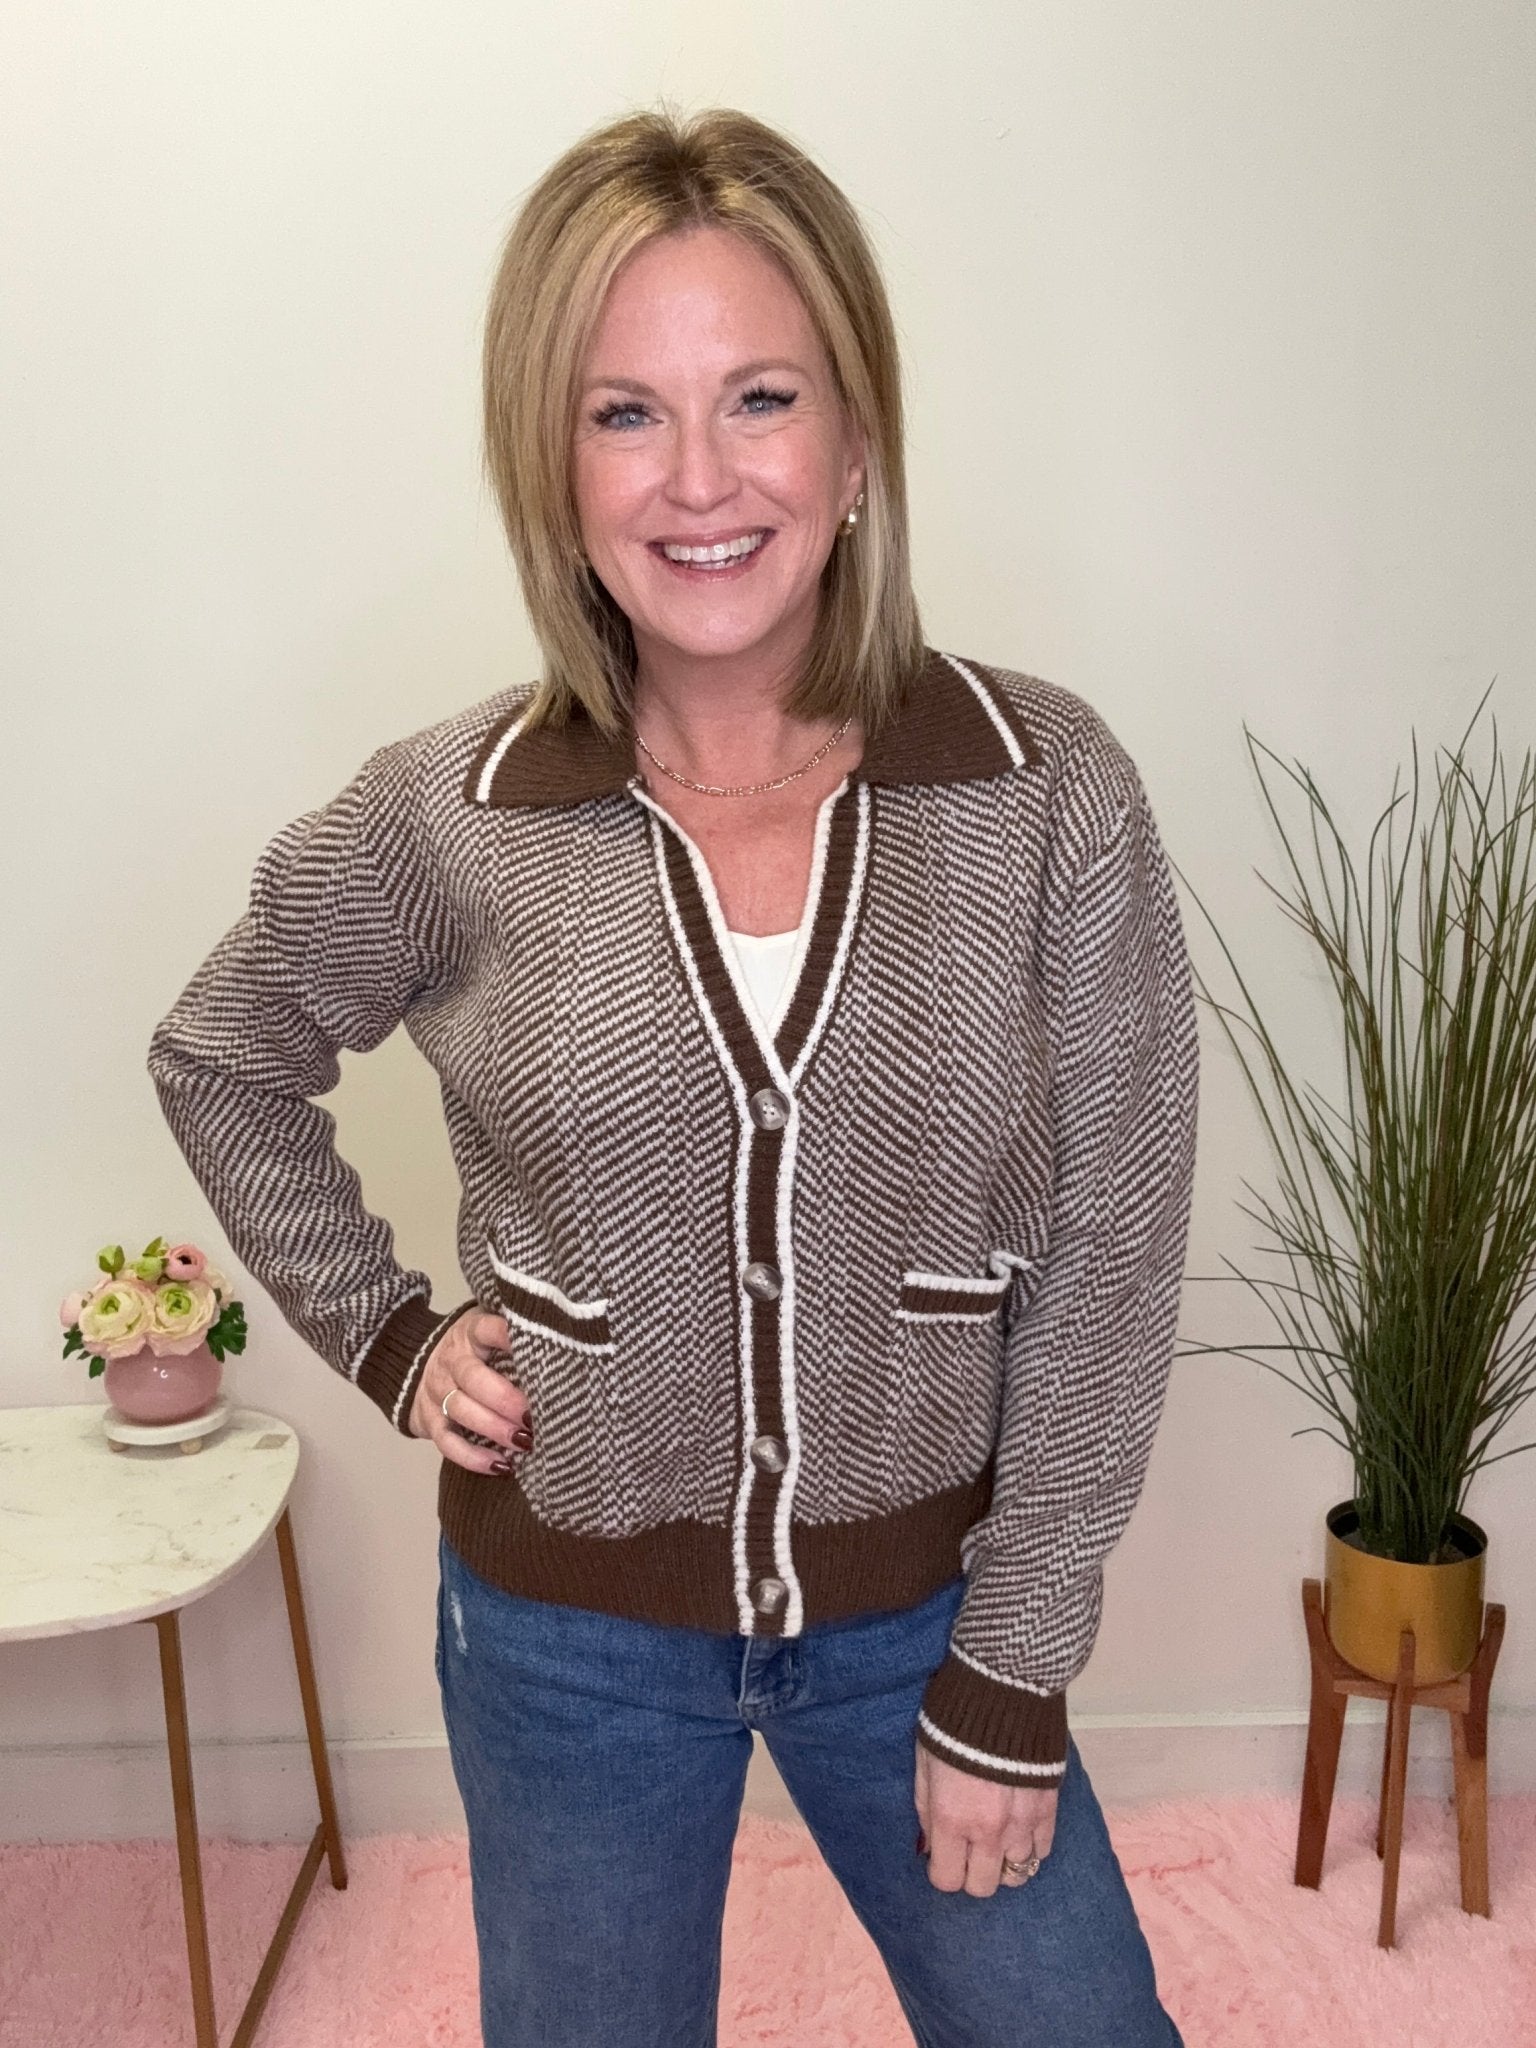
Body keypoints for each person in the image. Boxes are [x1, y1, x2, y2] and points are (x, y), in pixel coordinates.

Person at [148, 104, 1196, 2048]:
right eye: (623, 413)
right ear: (552, 474)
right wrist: (389, 1335)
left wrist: (1015, 1668)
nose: (699, 479)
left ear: (858, 442)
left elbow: (1116, 1252)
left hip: (929, 1622)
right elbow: (223, 1051)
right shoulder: (451, 812)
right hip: (566, 1644)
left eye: (761, 399)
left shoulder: (1043, 790)